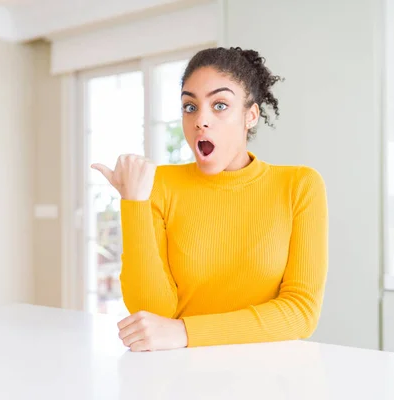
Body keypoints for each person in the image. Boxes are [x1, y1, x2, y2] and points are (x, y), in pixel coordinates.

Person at [91, 47, 328, 352]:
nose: (200, 120)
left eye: (219, 105)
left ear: (250, 115)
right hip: (178, 372)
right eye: (190, 107)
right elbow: (152, 314)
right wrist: (133, 202)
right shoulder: (159, 184)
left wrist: (186, 332)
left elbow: (301, 312)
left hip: (270, 373)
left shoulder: (300, 186)